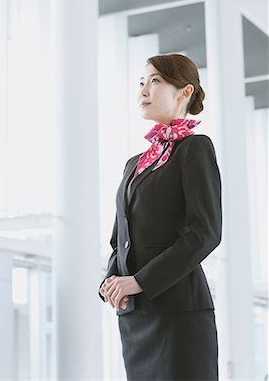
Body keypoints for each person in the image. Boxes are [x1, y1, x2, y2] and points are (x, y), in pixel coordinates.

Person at [98, 53, 222, 381]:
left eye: (155, 81)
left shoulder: (194, 149)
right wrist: (113, 281)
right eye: (141, 82)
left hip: (178, 314)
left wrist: (139, 281)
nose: (143, 90)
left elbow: (205, 233)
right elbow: (120, 238)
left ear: (184, 92)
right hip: (135, 316)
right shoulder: (133, 164)